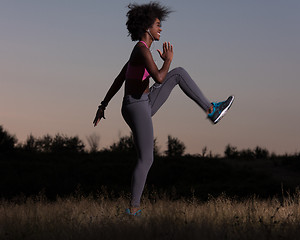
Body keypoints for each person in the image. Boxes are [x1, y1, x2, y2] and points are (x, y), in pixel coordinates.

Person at [93, 2, 234, 216]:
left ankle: (211, 110)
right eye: (158, 25)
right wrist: (167, 61)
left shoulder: (140, 51)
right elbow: (159, 76)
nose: (161, 29)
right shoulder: (141, 50)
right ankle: (133, 209)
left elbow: (119, 78)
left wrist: (103, 105)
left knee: (178, 73)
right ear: (147, 27)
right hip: (137, 106)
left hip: (142, 103)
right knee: (146, 159)